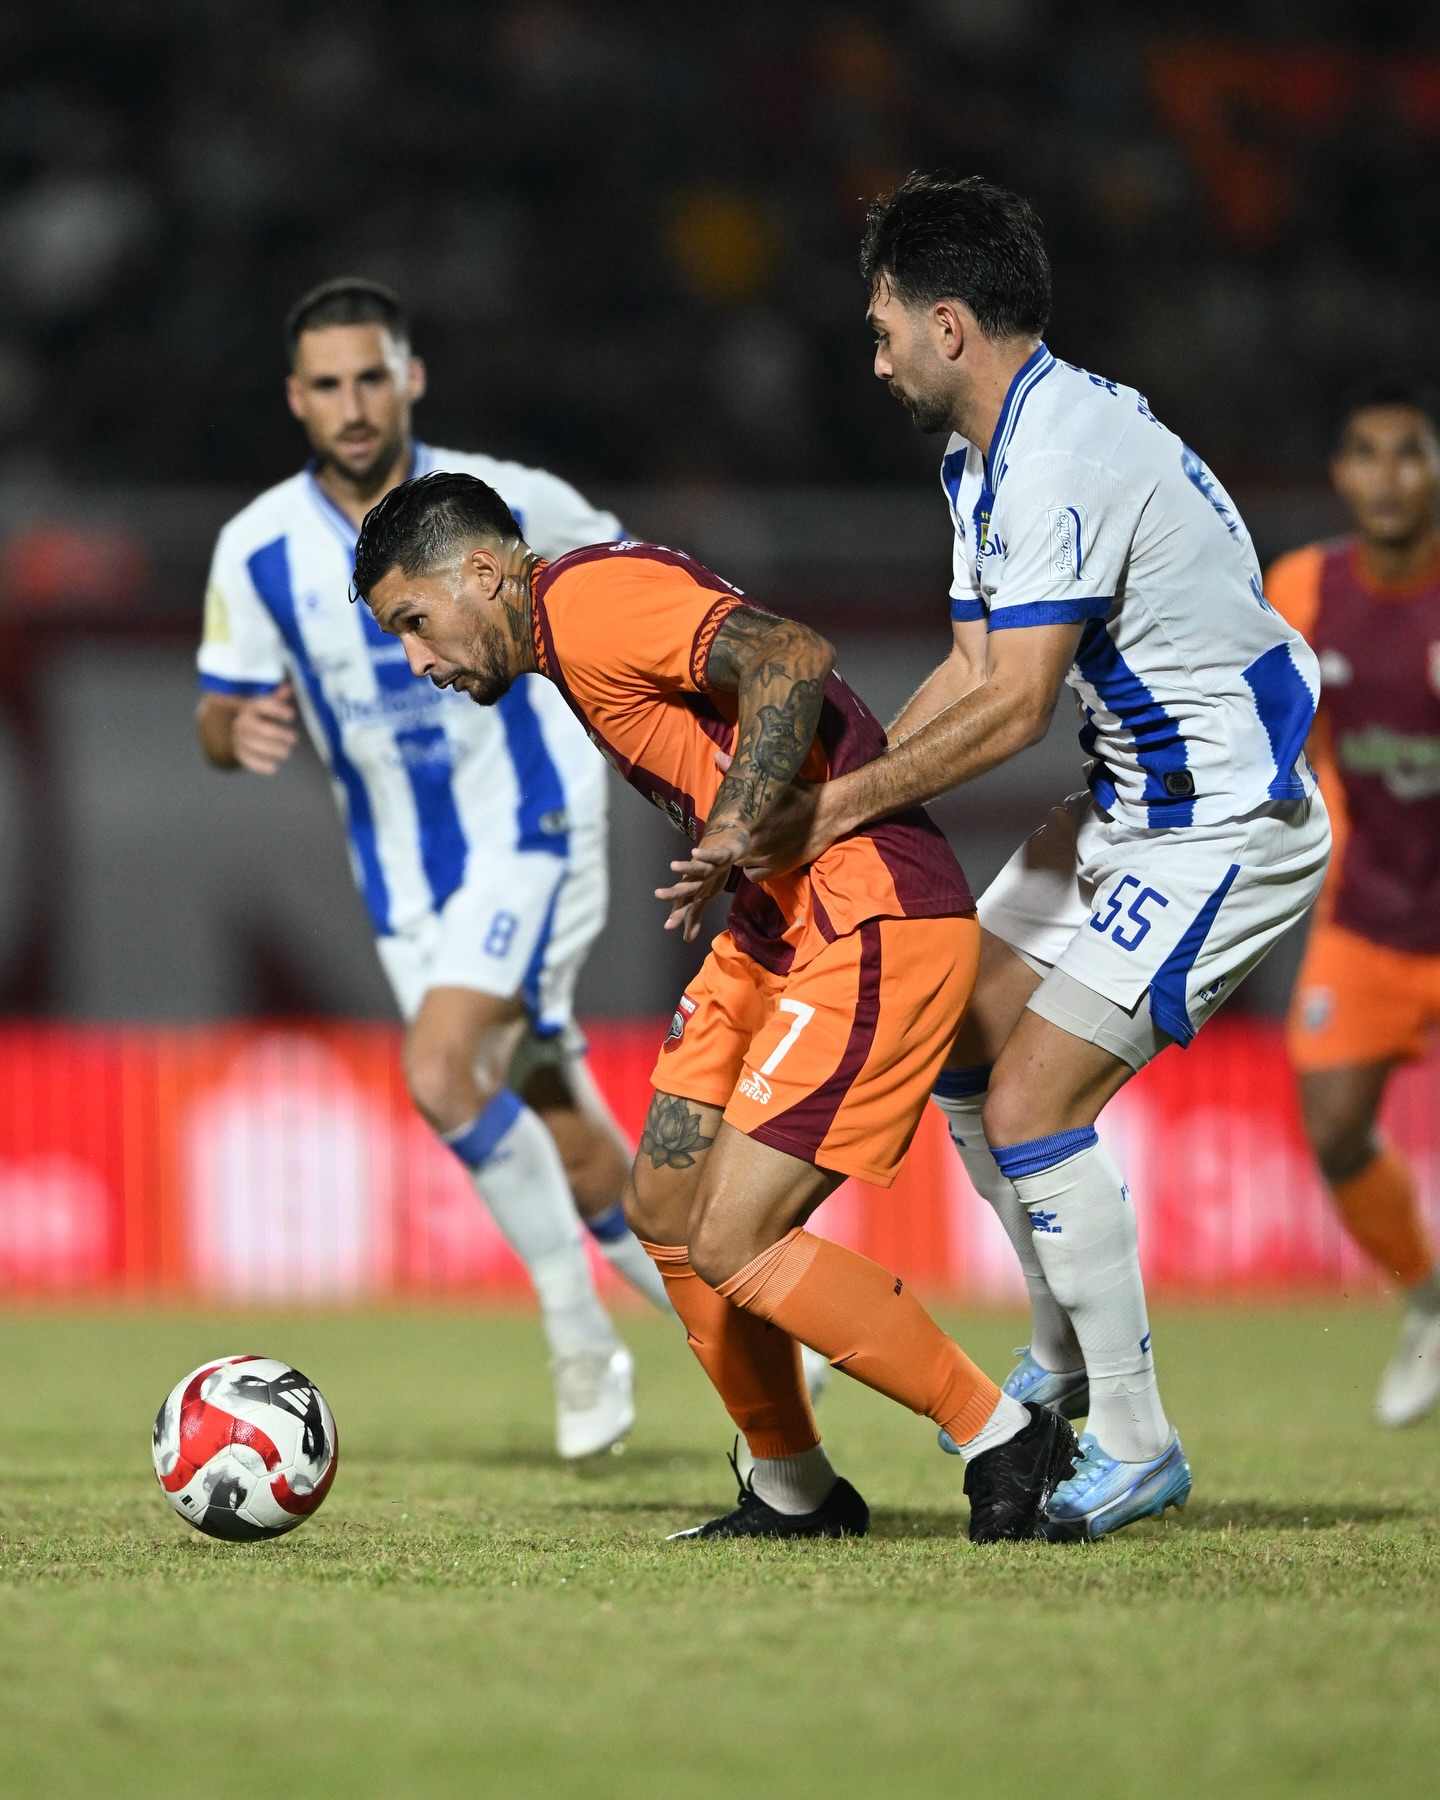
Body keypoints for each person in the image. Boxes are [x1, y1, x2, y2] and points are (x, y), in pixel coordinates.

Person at [734, 173, 1332, 1540]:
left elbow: (1008, 709)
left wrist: (827, 816)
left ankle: (1133, 1441)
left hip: (1225, 820)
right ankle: (1063, 1364)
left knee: (1033, 1106)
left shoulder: (1063, 451)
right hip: (1129, 806)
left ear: (950, 326)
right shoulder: (985, 455)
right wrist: (838, 792)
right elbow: (969, 666)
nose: (873, 354)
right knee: (957, 1036)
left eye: (882, 327)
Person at [351, 471, 1084, 1543]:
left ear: (481, 569)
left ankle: (1005, 1434)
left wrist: (737, 822)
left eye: (415, 623)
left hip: (864, 913)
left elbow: (789, 654)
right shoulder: (570, 629)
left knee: (737, 1237)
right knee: (666, 1212)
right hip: (775, 928)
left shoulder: (586, 604)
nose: (419, 662)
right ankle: (795, 1487)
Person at [195, 277, 668, 1460]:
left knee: (442, 1065)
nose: (354, 404)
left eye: (372, 376)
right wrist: (233, 732)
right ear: (296, 400)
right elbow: (218, 701)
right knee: (567, 1136)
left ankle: (574, 1333)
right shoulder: (254, 549)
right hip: (406, 883)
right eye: (328, 385)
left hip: (536, 825)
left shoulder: (502, 503)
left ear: (410, 377)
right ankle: (770, 1342)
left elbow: (634, 583)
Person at [1267, 379, 1440, 1426]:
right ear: (1340, 474)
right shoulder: (1303, 586)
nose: (1388, 475)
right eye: (1367, 454)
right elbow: (1266, 726)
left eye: (1410, 453)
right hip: (1367, 913)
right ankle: (1428, 1305)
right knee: (1333, 1128)